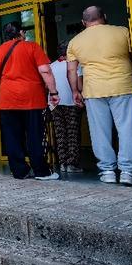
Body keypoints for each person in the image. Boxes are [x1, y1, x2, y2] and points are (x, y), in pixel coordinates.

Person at [0, 22, 61, 180]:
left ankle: (19, 171)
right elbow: (45, 70)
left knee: (13, 137)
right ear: (21, 32)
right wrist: (53, 92)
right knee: (35, 136)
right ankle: (41, 172)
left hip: (8, 101)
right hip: (32, 100)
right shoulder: (32, 47)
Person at [67, 6, 132, 186]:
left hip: (93, 90)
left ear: (84, 22)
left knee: (99, 132)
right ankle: (128, 172)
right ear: (105, 16)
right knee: (127, 129)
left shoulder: (75, 41)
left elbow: (71, 70)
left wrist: (75, 92)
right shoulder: (123, 32)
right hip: (122, 85)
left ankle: (107, 171)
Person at [50, 42, 84, 173]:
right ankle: (72, 164)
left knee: (60, 134)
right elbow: (80, 86)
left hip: (55, 104)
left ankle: (62, 163)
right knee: (72, 133)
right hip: (72, 103)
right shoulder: (75, 65)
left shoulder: (51, 66)